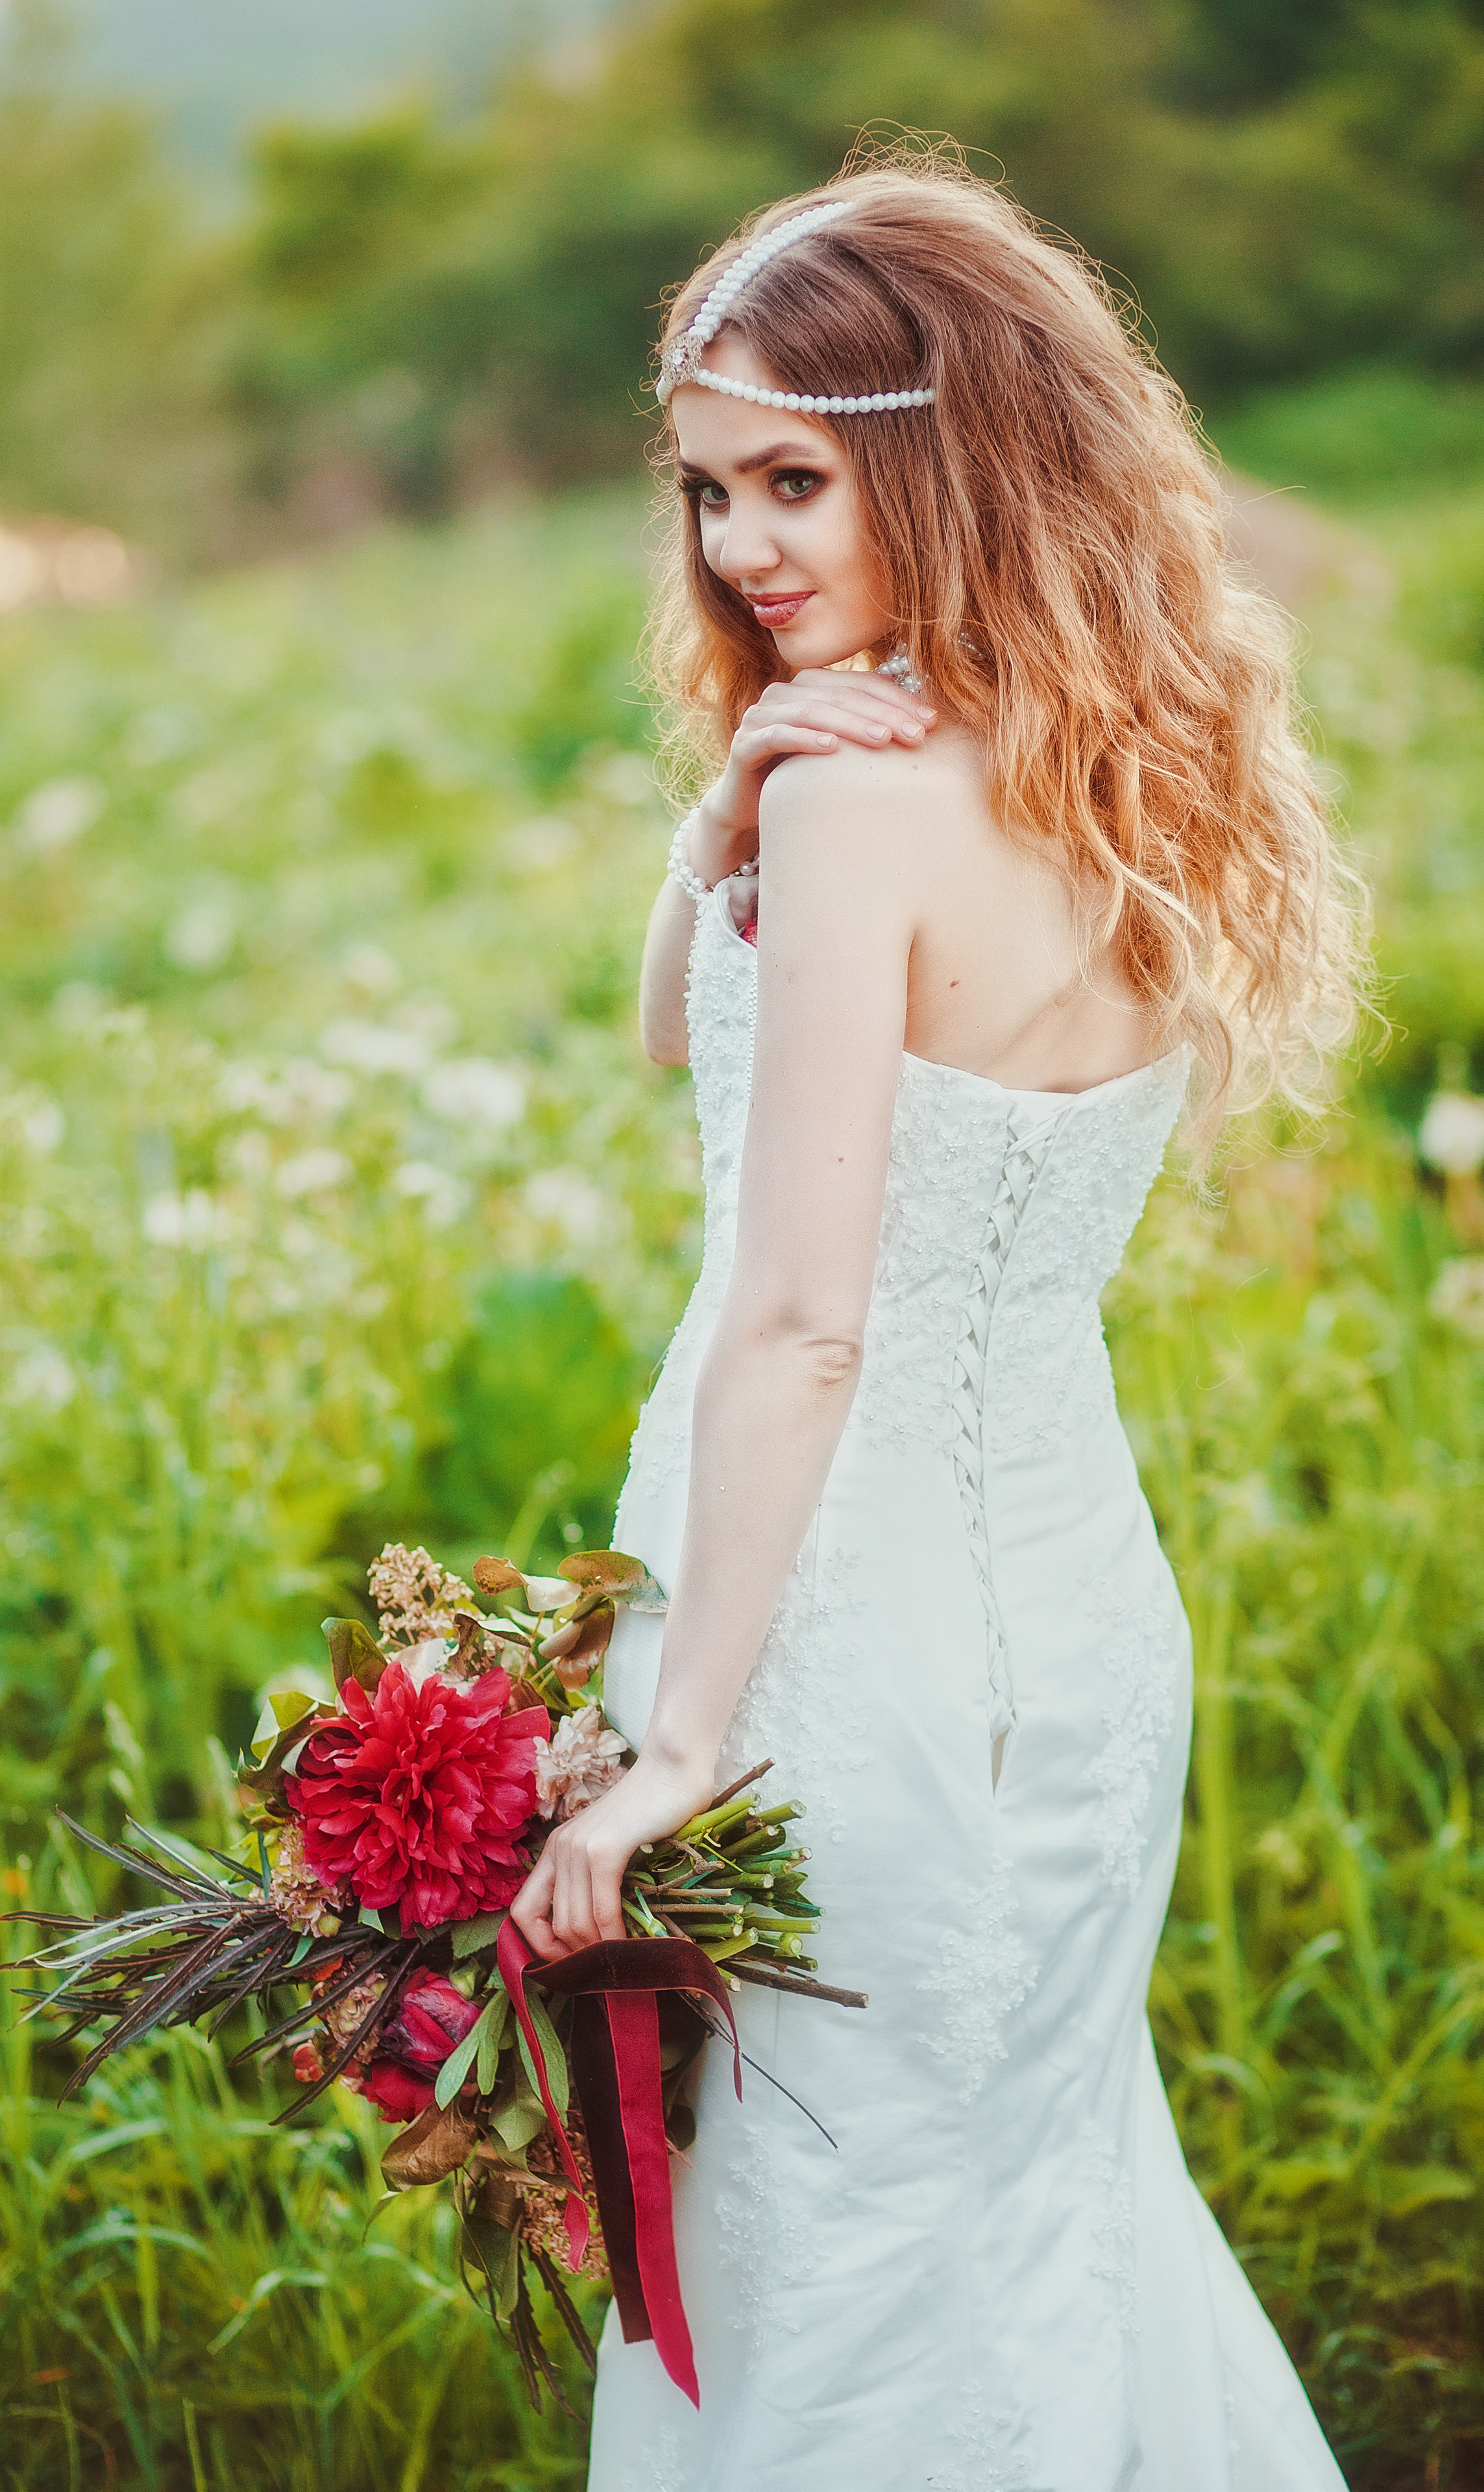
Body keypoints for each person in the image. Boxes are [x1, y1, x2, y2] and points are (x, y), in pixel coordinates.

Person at [511, 153, 1361, 2491]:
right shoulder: (1117, 769)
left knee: (832, 2244)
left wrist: (678, 1742)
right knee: (1037, 2201)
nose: (742, 546)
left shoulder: (882, 810)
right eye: (708, 491)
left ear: (953, 453)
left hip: (835, 1640)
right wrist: (721, 828)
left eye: (798, 477)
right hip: (1072, 1634)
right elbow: (685, 1043)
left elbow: (801, 1320)